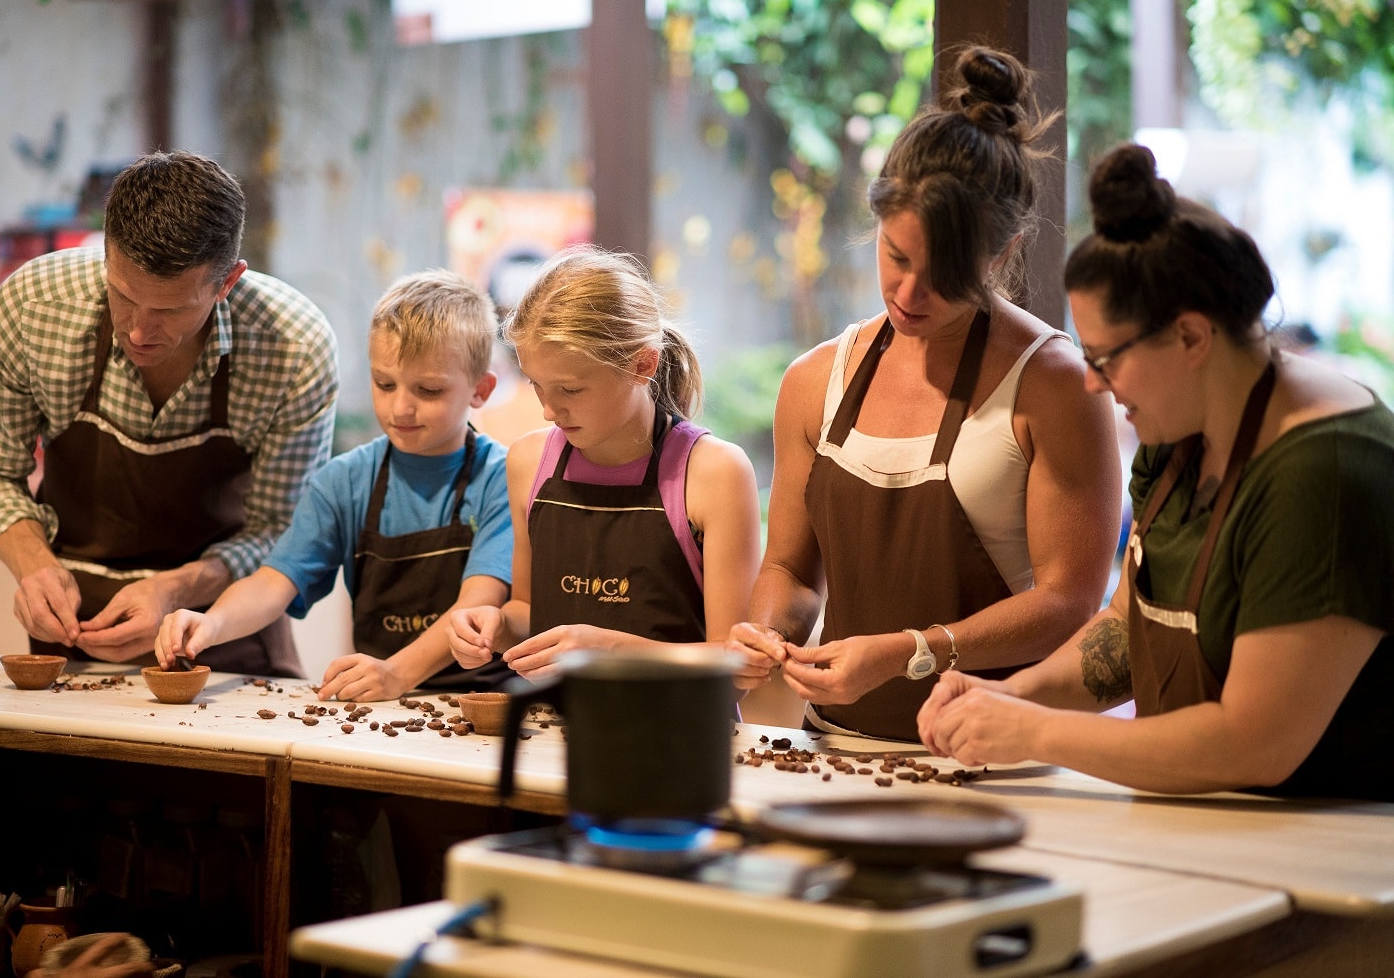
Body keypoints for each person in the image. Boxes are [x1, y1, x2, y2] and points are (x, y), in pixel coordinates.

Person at [917, 143, 1394, 802]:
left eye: (1104, 357)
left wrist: (1033, 732)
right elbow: (1127, 624)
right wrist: (1004, 697)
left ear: (1192, 338)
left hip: (1332, 854)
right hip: (1210, 825)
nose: (1091, 383)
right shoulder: (1180, 432)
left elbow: (1256, 742)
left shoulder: (1326, 471)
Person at [725, 46, 1121, 741]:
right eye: (896, 257)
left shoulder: (1054, 384)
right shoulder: (816, 380)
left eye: (941, 274)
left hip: (999, 754)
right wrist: (762, 634)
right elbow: (789, 565)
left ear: (1002, 254)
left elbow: (1070, 600)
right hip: (834, 750)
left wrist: (913, 652)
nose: (908, 293)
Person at [0, 151, 338, 677]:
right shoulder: (31, 308)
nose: (138, 331)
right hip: (73, 627)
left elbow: (281, 529)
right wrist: (34, 567)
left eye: (171, 310)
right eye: (123, 295)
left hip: (220, 634)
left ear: (227, 283)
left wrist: (173, 590)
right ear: (106, 253)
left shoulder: (293, 347)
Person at [154, 269, 514, 701]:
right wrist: (211, 623)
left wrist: (397, 674)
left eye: (429, 390)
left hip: (484, 708)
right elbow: (273, 583)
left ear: (481, 389)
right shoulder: (345, 481)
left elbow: (475, 606)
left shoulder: (503, 478)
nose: (401, 406)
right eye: (384, 383)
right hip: (380, 705)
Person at [448, 246, 761, 677]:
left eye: (571, 390)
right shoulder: (528, 461)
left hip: (682, 734)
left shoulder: (715, 473)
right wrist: (496, 624)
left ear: (642, 365)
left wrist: (609, 649)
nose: (549, 410)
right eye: (537, 385)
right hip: (553, 728)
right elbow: (527, 611)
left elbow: (740, 664)